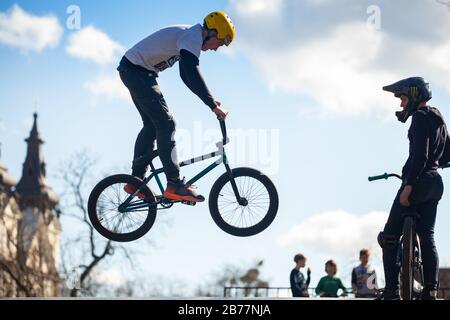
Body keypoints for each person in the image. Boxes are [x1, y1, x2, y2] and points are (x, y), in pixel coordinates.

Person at [117, 12, 235, 202]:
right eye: (220, 43)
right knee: (167, 125)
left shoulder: (189, 38)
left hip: (135, 72)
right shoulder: (192, 37)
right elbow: (192, 72)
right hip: (138, 72)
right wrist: (212, 105)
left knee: (153, 126)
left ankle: (135, 181)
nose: (216, 49)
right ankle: (174, 183)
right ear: (212, 33)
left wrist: (209, 101)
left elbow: (186, 76)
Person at [377, 77, 449, 300]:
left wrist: (409, 185)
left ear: (414, 95)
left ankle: (391, 292)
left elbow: (419, 155)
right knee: (427, 235)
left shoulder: (418, 118)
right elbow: (447, 155)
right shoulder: (438, 117)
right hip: (435, 183)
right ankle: (430, 291)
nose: (401, 104)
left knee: (389, 236)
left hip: (417, 181)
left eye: (403, 98)